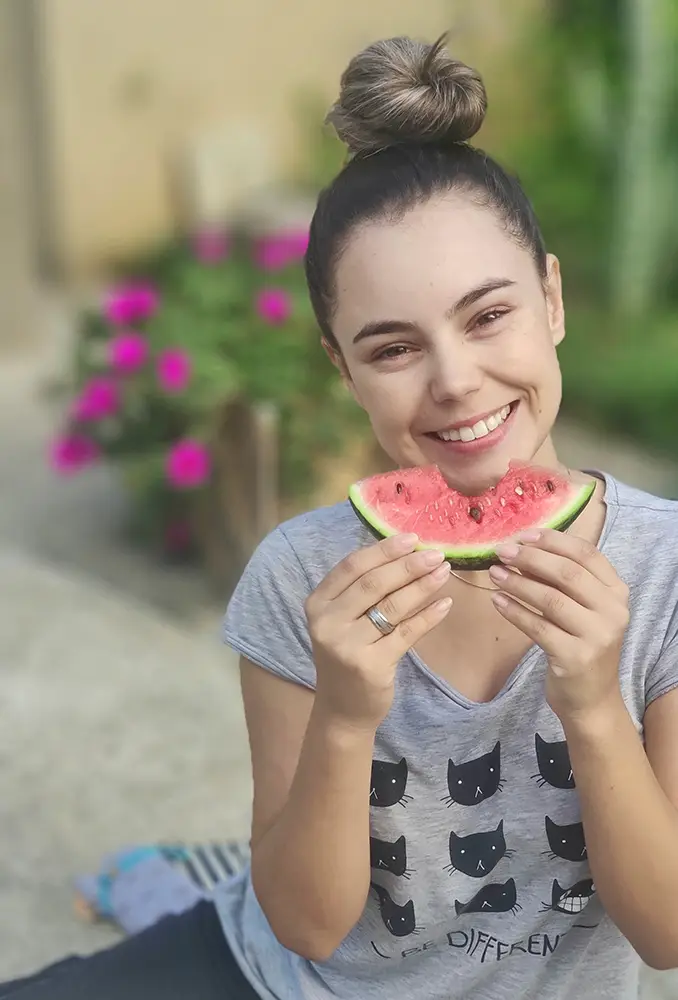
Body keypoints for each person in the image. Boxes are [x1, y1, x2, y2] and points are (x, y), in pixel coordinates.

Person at [3, 31, 678, 1000]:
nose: (454, 381)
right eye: (394, 347)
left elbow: (667, 934)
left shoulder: (667, 568)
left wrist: (593, 705)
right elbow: (308, 923)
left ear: (554, 299)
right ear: (342, 367)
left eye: (489, 316)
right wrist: (346, 716)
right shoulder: (300, 575)